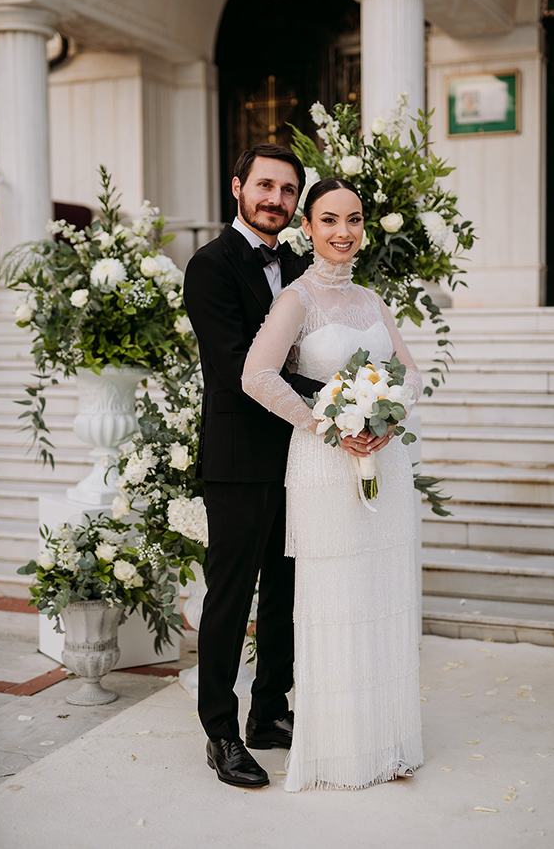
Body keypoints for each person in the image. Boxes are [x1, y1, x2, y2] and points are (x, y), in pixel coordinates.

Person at [242, 178, 424, 791]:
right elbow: (257, 375)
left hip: (383, 462)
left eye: (353, 219)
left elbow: (410, 373)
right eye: (328, 220)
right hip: (324, 464)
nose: (343, 232)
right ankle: (343, 748)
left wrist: (387, 420)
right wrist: (327, 423)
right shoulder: (296, 299)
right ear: (308, 228)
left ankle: (387, 739)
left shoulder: (373, 300)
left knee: (381, 590)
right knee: (337, 598)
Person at [184, 144, 337, 789]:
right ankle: (220, 729)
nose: (276, 199)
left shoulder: (303, 264)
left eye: (287, 190)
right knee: (231, 595)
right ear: (238, 187)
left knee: (285, 592)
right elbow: (238, 365)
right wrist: (335, 402)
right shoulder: (210, 266)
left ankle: (269, 712)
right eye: (265, 186)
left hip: (300, 456)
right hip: (240, 457)